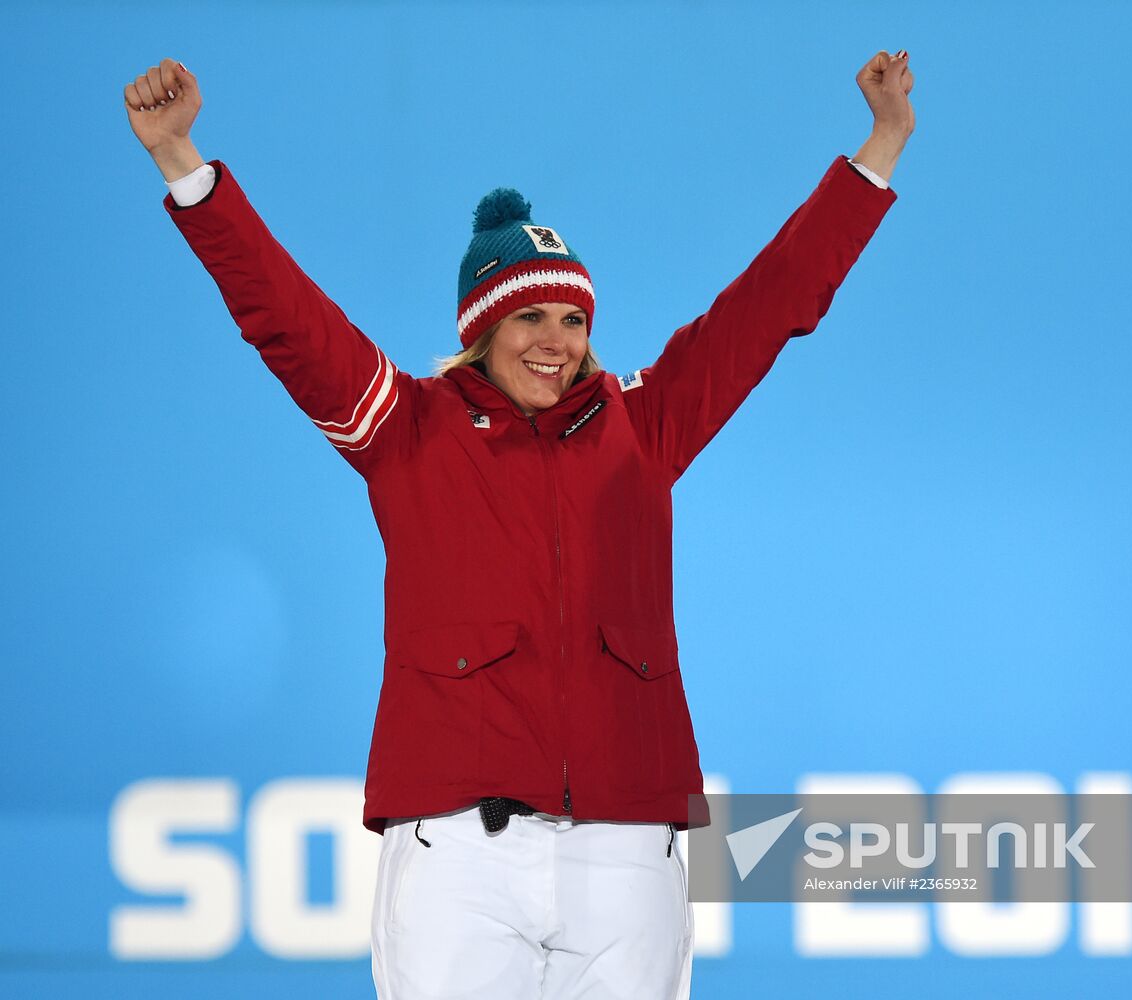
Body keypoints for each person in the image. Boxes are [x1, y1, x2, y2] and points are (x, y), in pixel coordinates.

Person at [124, 48, 914, 1000]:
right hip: (461, 855)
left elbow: (768, 306)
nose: (557, 341)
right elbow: (285, 319)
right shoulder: (403, 429)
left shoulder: (642, 426)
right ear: (481, 332)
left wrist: (879, 150)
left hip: (628, 851)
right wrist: (187, 168)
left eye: (573, 318)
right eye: (530, 317)